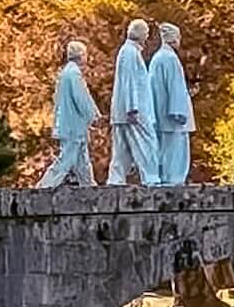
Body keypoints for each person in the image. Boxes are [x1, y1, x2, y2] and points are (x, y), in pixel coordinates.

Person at [37, 39, 100, 188]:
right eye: (85, 54)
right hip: (73, 125)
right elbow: (82, 98)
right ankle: (46, 184)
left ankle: (88, 184)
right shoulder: (74, 74)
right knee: (67, 158)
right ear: (81, 55)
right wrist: (93, 116)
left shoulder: (65, 73)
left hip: (69, 123)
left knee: (81, 159)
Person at [107, 19, 157, 185]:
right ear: (141, 34)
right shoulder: (130, 52)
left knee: (121, 149)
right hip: (133, 110)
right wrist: (132, 108)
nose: (147, 37)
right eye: (146, 33)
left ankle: (116, 179)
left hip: (123, 110)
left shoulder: (127, 51)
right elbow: (129, 81)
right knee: (146, 144)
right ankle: (151, 177)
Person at [148, 22, 195, 184]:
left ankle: (167, 177)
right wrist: (179, 112)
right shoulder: (169, 59)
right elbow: (175, 87)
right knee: (176, 150)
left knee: (164, 149)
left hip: (161, 113)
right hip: (172, 117)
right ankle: (174, 179)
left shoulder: (157, 58)